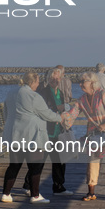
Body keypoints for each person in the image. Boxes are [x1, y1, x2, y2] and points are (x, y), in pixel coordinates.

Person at [1, 71, 64, 204]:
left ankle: (6, 194)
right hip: (31, 137)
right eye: (37, 82)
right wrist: (60, 118)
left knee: (14, 165)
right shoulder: (33, 96)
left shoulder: (11, 92)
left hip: (14, 135)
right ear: (33, 82)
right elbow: (46, 114)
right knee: (35, 166)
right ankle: (35, 196)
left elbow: (6, 111)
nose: (38, 84)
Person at [69, 71, 105, 201]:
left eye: (83, 82)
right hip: (95, 136)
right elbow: (72, 114)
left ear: (92, 83)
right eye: (79, 82)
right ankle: (91, 192)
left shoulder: (103, 95)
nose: (80, 84)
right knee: (93, 162)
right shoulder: (82, 100)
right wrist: (62, 120)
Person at [23, 68, 73, 196]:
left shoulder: (60, 93)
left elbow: (62, 111)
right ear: (48, 79)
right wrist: (58, 108)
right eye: (52, 78)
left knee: (60, 160)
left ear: (61, 79)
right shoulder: (43, 92)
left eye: (57, 79)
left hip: (58, 131)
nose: (55, 81)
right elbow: (43, 110)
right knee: (39, 161)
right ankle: (28, 185)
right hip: (46, 131)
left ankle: (59, 186)